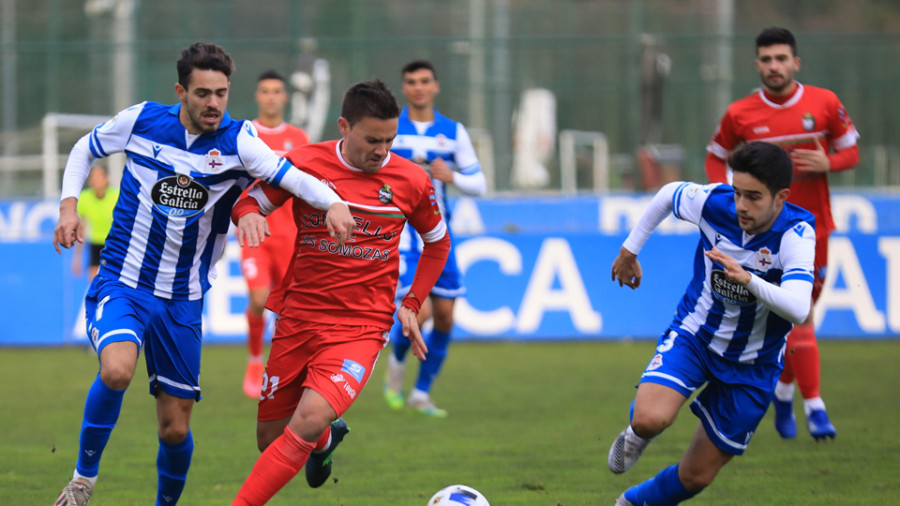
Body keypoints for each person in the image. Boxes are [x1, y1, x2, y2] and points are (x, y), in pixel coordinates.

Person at [51, 42, 354, 506]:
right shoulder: (143, 120)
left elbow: (290, 176)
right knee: (116, 370)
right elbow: (82, 149)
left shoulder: (238, 141)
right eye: (203, 93)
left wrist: (331, 201)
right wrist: (69, 206)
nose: (214, 103)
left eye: (222, 93)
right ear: (181, 91)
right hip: (123, 281)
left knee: (174, 429)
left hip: (183, 298)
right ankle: (82, 481)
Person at [229, 79, 450, 506]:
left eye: (390, 140)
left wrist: (411, 302)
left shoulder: (411, 179)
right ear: (344, 126)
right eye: (372, 139)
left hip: (359, 328)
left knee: (307, 419)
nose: (382, 151)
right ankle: (326, 439)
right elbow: (249, 199)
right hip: (298, 319)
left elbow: (437, 243)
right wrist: (250, 214)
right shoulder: (303, 164)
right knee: (270, 440)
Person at [608, 142, 816, 505]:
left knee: (696, 475)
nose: (741, 206)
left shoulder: (796, 234)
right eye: (737, 193)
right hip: (697, 337)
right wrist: (630, 249)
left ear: (781, 196)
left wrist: (749, 280)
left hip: (756, 363)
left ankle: (630, 503)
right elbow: (667, 195)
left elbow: (799, 308)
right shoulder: (714, 203)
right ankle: (636, 435)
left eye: (754, 197)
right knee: (648, 419)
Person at [705, 27, 859, 441]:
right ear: (757, 64)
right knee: (800, 317)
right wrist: (728, 200)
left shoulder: (823, 103)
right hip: (765, 238)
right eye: (766, 59)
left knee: (794, 319)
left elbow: (851, 151)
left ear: (796, 63)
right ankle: (816, 408)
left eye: (781, 58)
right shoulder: (740, 114)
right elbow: (715, 157)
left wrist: (829, 164)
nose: (774, 66)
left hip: (816, 230)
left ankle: (785, 390)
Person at [383, 59, 485, 417]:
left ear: (435, 86)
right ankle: (395, 368)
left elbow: (480, 183)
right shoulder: (392, 128)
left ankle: (420, 393)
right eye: (411, 81)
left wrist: (452, 176)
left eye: (424, 80)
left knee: (444, 318)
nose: (418, 87)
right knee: (418, 311)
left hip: (441, 237)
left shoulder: (453, 132)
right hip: (404, 237)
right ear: (404, 88)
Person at [239, 69, 311, 399]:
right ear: (258, 96)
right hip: (256, 235)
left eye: (276, 91)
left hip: (291, 238)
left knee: (288, 310)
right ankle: (255, 360)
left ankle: (281, 370)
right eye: (265, 90)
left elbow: (310, 186)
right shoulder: (246, 134)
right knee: (258, 299)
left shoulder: (299, 138)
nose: (270, 96)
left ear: (285, 97)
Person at [71, 165, 119, 282]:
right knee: (93, 282)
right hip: (95, 244)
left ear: (106, 179)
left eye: (99, 176)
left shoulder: (116, 196)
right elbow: (81, 229)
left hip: (114, 243)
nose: (96, 180)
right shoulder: (85, 198)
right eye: (93, 177)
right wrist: (77, 258)